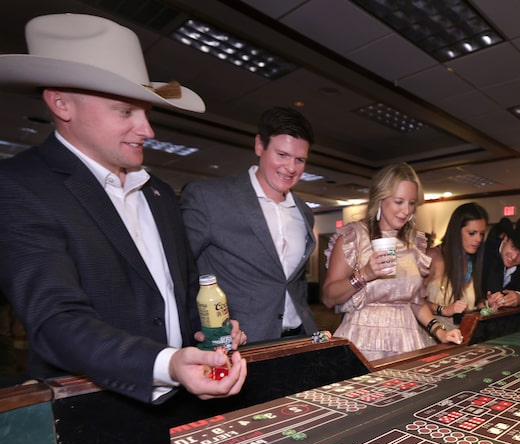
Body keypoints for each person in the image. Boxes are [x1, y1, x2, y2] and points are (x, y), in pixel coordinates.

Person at [0, 14, 247, 403]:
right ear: (62, 104)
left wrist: (211, 331)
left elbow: (178, 295)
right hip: (94, 409)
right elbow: (55, 321)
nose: (147, 130)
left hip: (182, 399)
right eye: (125, 111)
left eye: (147, 112)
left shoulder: (159, 191)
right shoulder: (19, 185)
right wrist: (165, 364)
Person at [181, 107, 318, 343]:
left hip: (299, 337)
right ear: (259, 146)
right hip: (239, 342)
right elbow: (178, 273)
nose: (291, 167)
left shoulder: (304, 211)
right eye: (282, 155)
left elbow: (294, 282)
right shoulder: (210, 198)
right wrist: (206, 324)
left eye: (300, 159)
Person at [321, 163, 462, 362]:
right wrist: (366, 274)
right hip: (363, 341)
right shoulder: (355, 236)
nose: (406, 211)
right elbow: (328, 297)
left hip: (407, 340)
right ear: (380, 198)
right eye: (399, 201)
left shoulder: (414, 243)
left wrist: (440, 332)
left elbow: (414, 301)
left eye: (411, 203)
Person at [426, 203, 489, 328]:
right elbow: (412, 302)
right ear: (456, 231)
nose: (478, 239)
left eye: (481, 234)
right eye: (472, 233)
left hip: (463, 339)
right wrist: (443, 310)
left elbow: (472, 305)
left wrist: (488, 305)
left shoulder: (472, 259)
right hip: (432, 338)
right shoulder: (433, 257)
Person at [480, 216, 520, 309]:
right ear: (505, 238)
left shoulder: (517, 265)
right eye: (513, 247)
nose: (514, 257)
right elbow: (493, 290)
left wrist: (518, 297)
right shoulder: (486, 253)